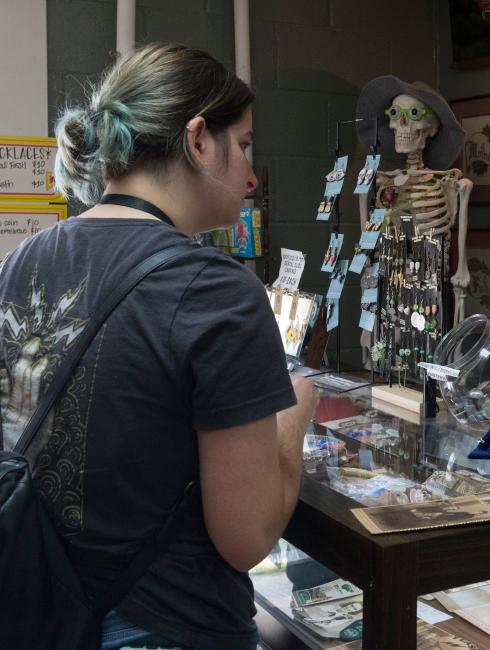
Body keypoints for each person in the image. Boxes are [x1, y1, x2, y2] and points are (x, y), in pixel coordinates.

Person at [0, 44, 319, 649]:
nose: (252, 175)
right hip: (170, 627)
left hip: (35, 610)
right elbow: (247, 537)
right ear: (199, 139)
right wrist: (294, 414)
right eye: (245, 144)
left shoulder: (20, 262)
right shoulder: (218, 291)